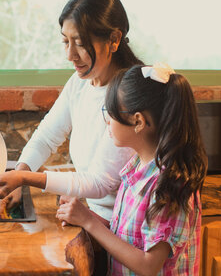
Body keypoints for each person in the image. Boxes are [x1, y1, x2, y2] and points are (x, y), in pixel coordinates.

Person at [0, 0, 143, 225]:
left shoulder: (129, 94)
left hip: (123, 227)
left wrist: (24, 177)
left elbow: (100, 182)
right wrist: (21, 174)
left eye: (80, 43)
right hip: (94, 218)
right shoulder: (80, 83)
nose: (70, 55)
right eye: (66, 41)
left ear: (114, 40)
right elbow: (46, 137)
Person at [56, 63, 208, 276]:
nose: (107, 120)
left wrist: (89, 222)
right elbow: (131, 239)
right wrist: (85, 216)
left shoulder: (168, 184)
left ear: (138, 121)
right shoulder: (137, 167)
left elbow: (149, 265)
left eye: (110, 112)